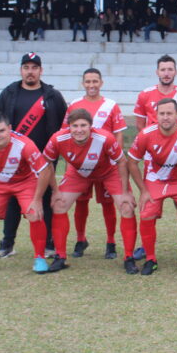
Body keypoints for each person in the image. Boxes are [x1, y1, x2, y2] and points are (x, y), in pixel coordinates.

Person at [40, 109, 135, 272]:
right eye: (74, 126)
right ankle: (60, 257)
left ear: (91, 126)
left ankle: (129, 257)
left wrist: (126, 191)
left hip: (108, 172)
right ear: (68, 127)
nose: (79, 130)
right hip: (78, 173)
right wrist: (55, 191)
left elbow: (121, 161)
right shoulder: (58, 138)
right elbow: (46, 164)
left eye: (83, 125)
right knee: (59, 205)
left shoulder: (105, 138)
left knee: (127, 207)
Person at [0, 53, 67, 259]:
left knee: (45, 199)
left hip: (44, 158)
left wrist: (55, 152)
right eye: (26, 67)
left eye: (34, 67)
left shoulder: (52, 96)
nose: (30, 71)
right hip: (14, 158)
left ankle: (49, 243)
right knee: (13, 200)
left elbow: (63, 124)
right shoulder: (9, 93)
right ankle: (7, 244)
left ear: (41, 70)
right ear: (21, 70)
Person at [127, 98, 177, 275]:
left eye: (169, 113)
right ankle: (150, 259)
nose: (165, 117)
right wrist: (144, 191)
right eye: (162, 113)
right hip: (156, 180)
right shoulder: (146, 134)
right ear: (156, 115)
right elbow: (132, 162)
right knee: (146, 214)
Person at [132, 55, 177, 261]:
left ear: (175, 72)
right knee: (149, 207)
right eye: (163, 69)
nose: (167, 73)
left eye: (170, 69)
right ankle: (146, 246)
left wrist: (176, 147)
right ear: (157, 72)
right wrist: (156, 144)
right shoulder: (145, 95)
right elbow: (140, 126)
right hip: (155, 161)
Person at [0, 112, 51, 275]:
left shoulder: (25, 145)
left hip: (26, 182)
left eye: (1, 131)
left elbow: (44, 171)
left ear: (10, 129)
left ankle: (39, 257)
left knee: (34, 214)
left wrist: (37, 199)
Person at [63, 68, 127, 259]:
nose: (92, 85)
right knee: (81, 202)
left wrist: (116, 159)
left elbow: (118, 133)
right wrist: (70, 162)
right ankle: (81, 239)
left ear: (101, 83)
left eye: (95, 81)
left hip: (105, 165)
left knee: (108, 203)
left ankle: (111, 242)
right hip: (81, 166)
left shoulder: (110, 105)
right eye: (88, 81)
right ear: (83, 83)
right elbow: (66, 135)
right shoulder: (74, 105)